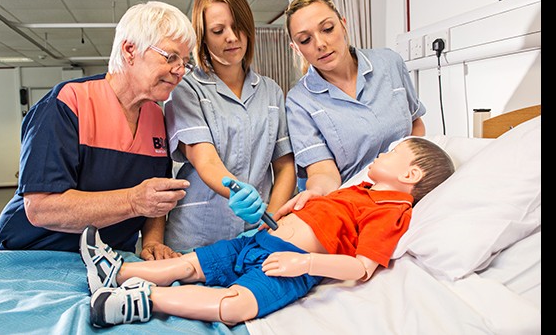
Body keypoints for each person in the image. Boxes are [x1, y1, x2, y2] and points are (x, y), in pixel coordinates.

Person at [79, 136, 455, 327]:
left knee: (234, 305)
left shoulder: (391, 211)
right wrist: (302, 200)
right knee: (190, 265)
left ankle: (141, 300)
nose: (381, 154)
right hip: (257, 241)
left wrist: (305, 262)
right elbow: (327, 211)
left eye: (392, 152)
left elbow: (361, 267)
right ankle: (117, 271)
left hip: (286, 267)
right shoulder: (362, 190)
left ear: (410, 175)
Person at [0, 1, 197, 261]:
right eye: (171, 57)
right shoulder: (67, 103)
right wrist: (132, 201)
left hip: (105, 259)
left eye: (185, 63)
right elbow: (40, 208)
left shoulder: (157, 116)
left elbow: (155, 199)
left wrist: (152, 241)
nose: (179, 71)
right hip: (34, 257)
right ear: (130, 50)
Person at [163, 0, 296, 252]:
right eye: (218, 30)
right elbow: (205, 159)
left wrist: (269, 220)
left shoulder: (270, 91)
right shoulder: (186, 90)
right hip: (198, 233)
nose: (232, 37)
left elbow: (285, 166)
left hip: (256, 230)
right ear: (202, 36)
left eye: (237, 26)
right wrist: (235, 190)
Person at [274, 0, 427, 221]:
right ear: (297, 49)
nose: (321, 44)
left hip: (412, 193)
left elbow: (416, 124)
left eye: (327, 29)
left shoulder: (389, 63)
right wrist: (316, 192)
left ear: (343, 26)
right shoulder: (300, 101)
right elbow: (323, 172)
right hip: (355, 207)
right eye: (305, 40)